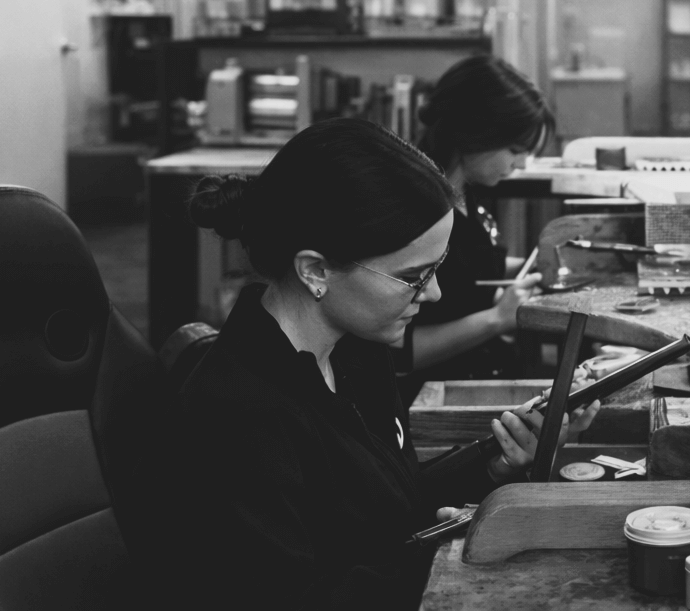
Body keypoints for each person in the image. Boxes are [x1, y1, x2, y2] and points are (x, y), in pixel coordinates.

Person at [153, 119, 595, 609]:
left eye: (436, 268)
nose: (435, 293)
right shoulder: (238, 415)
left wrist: (492, 467)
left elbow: (389, 504)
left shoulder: (355, 350)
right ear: (315, 269)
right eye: (413, 276)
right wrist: (446, 556)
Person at [399, 55, 555, 400]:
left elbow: (469, 270)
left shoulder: (467, 192)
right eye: (515, 150)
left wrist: (540, 265)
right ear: (475, 134)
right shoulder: (416, 211)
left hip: (486, 373)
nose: (521, 163)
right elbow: (398, 352)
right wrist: (498, 319)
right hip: (432, 398)